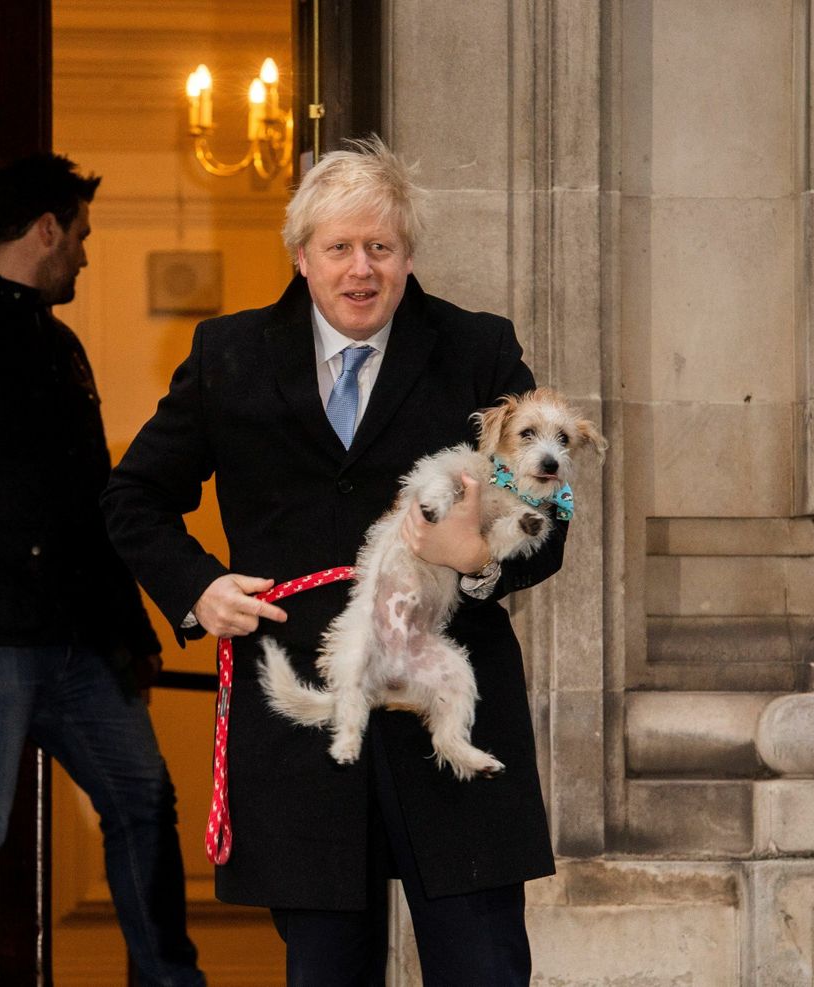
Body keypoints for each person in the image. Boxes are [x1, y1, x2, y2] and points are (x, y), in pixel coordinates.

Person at [102, 136, 565, 986]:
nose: (361, 269)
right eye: (340, 247)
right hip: (310, 731)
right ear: (302, 256)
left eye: (380, 247)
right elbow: (131, 496)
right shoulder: (229, 354)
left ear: (408, 254)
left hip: (450, 713)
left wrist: (480, 561)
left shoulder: (477, 349)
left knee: (484, 967)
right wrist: (199, 588)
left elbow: (553, 508)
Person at [0, 153, 204, 987]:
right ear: (45, 230)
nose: (85, 255)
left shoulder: (61, 346)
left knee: (143, 799)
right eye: (80, 236)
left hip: (77, 639)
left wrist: (133, 631)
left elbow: (91, 500)